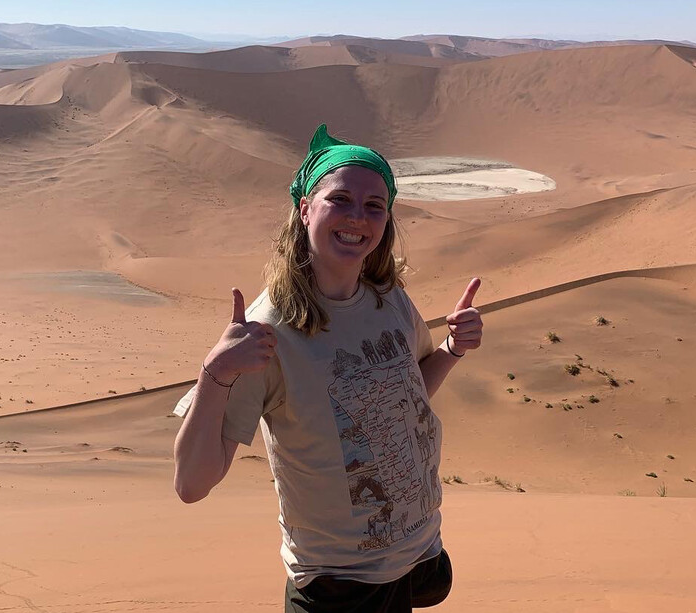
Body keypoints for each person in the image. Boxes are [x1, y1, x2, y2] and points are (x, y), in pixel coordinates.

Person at [172, 124, 484, 612]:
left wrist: (450, 349)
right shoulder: (267, 330)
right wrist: (214, 375)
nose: (358, 217)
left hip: (418, 554)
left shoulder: (390, 299)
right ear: (304, 210)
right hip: (341, 583)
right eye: (340, 200)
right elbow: (191, 485)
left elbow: (406, 393)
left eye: (374, 206)